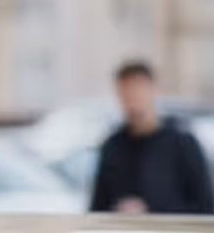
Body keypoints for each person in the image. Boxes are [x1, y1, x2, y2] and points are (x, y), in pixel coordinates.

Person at [89, 59, 214, 215]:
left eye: (137, 91)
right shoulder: (112, 146)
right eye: (126, 93)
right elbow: (96, 209)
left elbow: (205, 208)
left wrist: (151, 210)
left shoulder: (183, 143)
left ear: (154, 90)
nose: (132, 100)